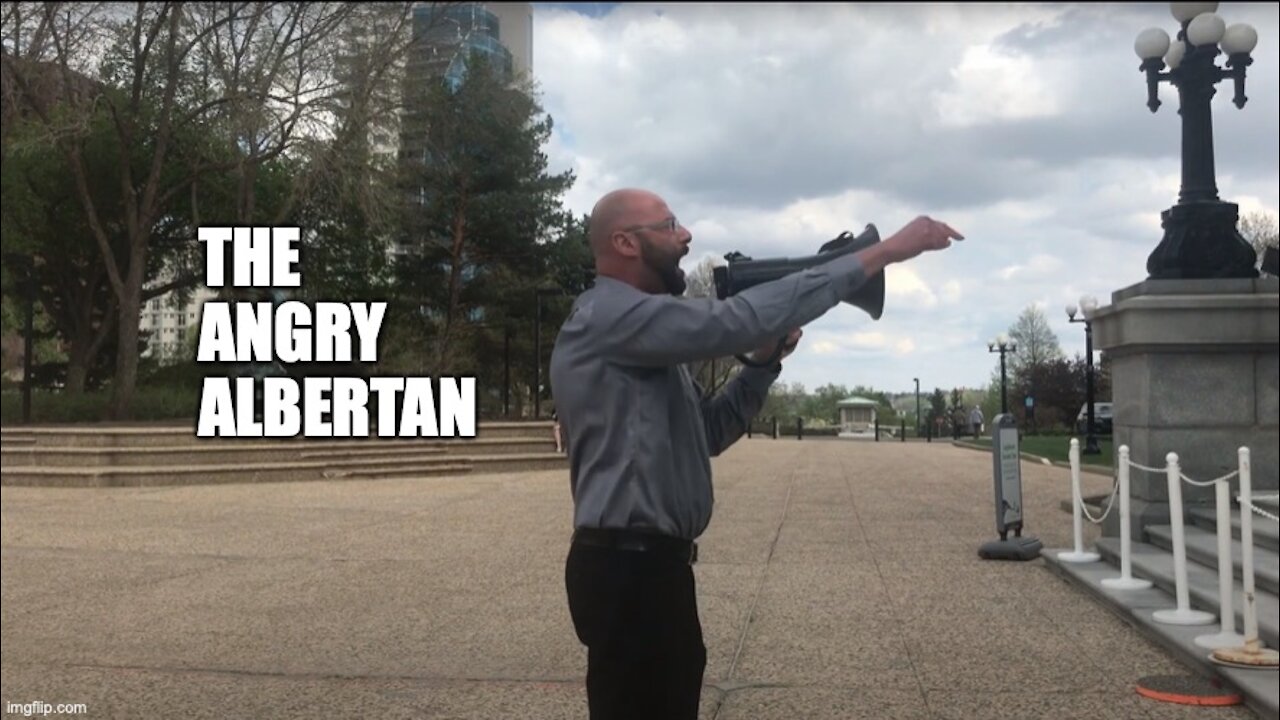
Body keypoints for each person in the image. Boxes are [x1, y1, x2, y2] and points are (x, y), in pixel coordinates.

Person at [549, 188, 962, 720]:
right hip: (628, 572)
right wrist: (877, 255)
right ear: (625, 242)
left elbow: (711, 431)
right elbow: (733, 321)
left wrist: (763, 365)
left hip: (653, 572)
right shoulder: (607, 316)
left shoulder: (645, 337)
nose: (686, 236)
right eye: (671, 225)